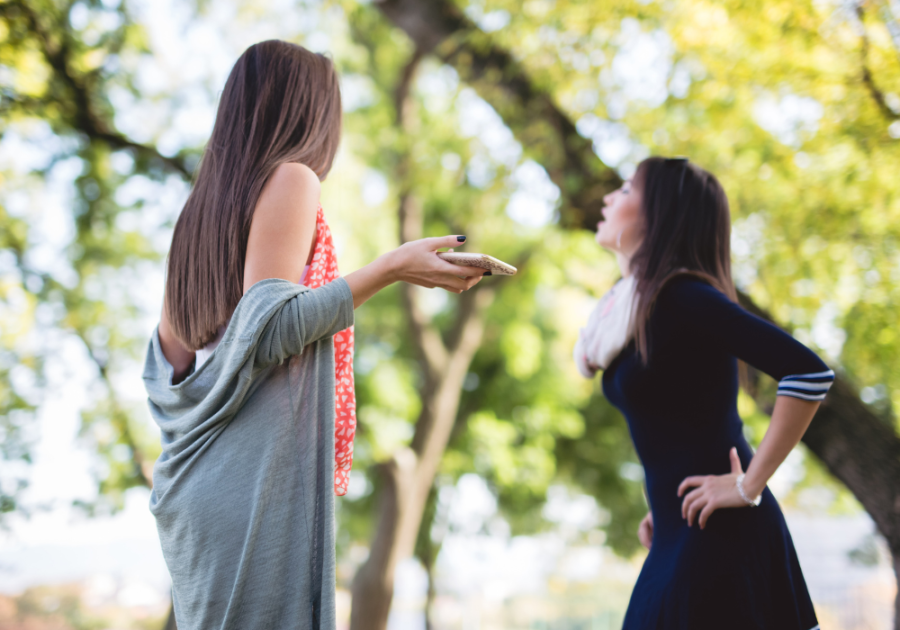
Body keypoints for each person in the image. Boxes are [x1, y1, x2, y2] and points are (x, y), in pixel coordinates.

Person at [142, 40, 486, 630]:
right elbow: (271, 327)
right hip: (250, 492)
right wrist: (391, 267)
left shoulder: (199, 212)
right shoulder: (293, 179)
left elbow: (168, 361)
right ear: (310, 111)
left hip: (192, 492)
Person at [574, 157, 832, 630]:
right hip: (679, 530)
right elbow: (677, 413)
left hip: (721, 535)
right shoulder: (632, 315)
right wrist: (661, 502)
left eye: (627, 190)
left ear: (660, 215)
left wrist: (747, 485)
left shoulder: (681, 295)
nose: (610, 197)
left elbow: (808, 373)